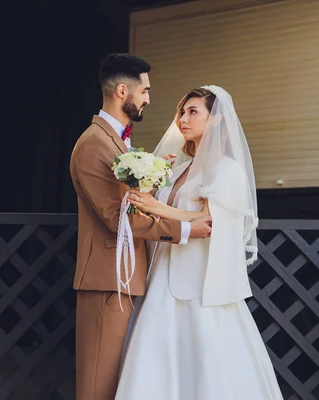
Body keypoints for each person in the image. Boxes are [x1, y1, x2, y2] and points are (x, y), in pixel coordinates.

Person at [115, 85, 284, 399]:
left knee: (207, 361)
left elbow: (208, 223)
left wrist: (156, 206)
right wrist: (145, 191)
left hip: (201, 285)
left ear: (216, 119)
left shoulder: (227, 171)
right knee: (155, 359)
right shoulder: (177, 169)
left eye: (193, 111)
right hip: (162, 276)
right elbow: (163, 218)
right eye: (182, 111)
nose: (183, 118)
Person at [69, 53, 212, 400]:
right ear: (122, 91)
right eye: (144, 91)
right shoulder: (94, 144)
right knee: (97, 384)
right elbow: (120, 218)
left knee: (116, 380)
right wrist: (186, 231)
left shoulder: (116, 142)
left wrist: (151, 179)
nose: (148, 98)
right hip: (107, 281)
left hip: (124, 279)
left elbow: (128, 201)